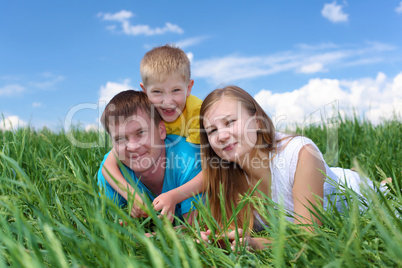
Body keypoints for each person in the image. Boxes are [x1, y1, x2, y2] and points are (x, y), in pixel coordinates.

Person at [198, 85, 390, 250]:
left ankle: (380, 184)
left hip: (359, 194)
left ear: (257, 121)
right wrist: (219, 239)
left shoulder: (300, 152)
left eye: (229, 122)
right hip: (316, 177)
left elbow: (308, 237)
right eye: (212, 130)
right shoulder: (227, 176)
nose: (221, 136)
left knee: (381, 191)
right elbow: (235, 229)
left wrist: (255, 244)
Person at [101, 45, 205, 221]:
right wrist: (130, 194)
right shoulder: (149, 114)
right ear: (145, 90)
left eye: (176, 90)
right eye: (157, 92)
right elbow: (108, 165)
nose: (167, 101)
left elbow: (214, 169)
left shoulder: (199, 118)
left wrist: (174, 195)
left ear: (189, 88)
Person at [97, 90, 201, 222]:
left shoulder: (188, 160)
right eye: (120, 139)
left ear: (162, 131)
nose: (133, 146)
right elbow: (104, 226)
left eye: (141, 132)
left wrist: (140, 238)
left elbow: (196, 228)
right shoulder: (113, 173)